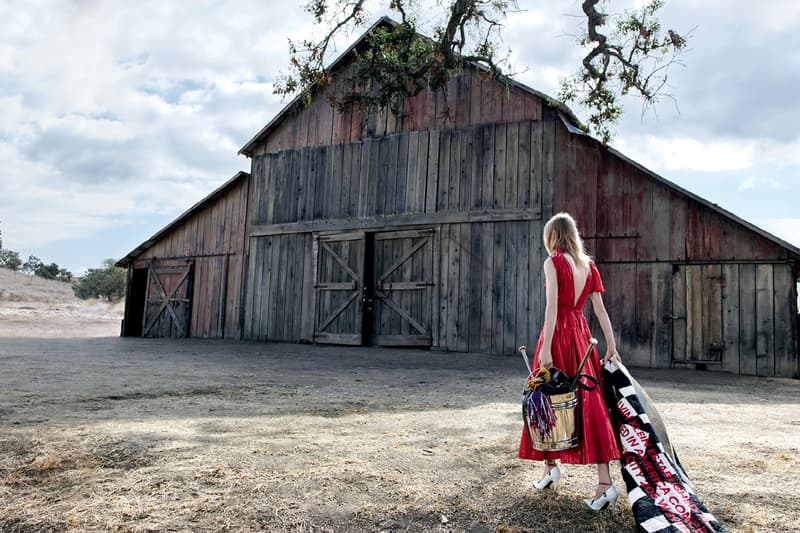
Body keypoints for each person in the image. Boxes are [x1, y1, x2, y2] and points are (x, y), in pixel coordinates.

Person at [518, 212, 623, 511]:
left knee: (545, 400)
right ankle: (582, 477)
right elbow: (600, 312)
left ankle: (555, 469)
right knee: (590, 406)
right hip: (581, 336)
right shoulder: (588, 266)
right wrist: (611, 345)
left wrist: (547, 349)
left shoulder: (553, 262)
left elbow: (552, 309)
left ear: (553, 236)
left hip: (559, 334)